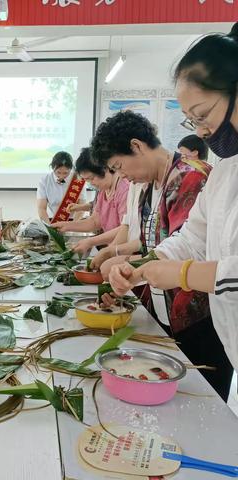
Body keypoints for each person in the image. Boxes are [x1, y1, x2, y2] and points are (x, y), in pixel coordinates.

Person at [108, 22, 238, 383]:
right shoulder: (227, 170)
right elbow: (192, 236)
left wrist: (183, 274)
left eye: (203, 114)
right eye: (192, 119)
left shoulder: (193, 174)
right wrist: (149, 264)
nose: (200, 131)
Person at [92, 110, 232, 400]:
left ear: (137, 146)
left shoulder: (190, 177)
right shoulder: (148, 188)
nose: (122, 177)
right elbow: (175, 243)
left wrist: (164, 271)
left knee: (202, 402)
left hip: (200, 320)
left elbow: (195, 249)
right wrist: (137, 272)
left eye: (119, 166)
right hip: (167, 313)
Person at [51, 148, 129, 246]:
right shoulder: (103, 190)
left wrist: (91, 242)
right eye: (87, 180)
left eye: (91, 178)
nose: (91, 184)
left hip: (124, 250)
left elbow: (126, 229)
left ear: (105, 169)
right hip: (112, 248)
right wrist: (66, 225)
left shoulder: (124, 189)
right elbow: (94, 221)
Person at [36, 151, 85, 222]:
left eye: (66, 173)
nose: (62, 176)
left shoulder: (78, 180)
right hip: (51, 220)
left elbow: (81, 207)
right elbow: (41, 208)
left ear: (70, 169)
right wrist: (49, 227)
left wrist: (73, 226)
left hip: (73, 221)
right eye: (58, 172)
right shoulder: (45, 180)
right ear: (52, 168)